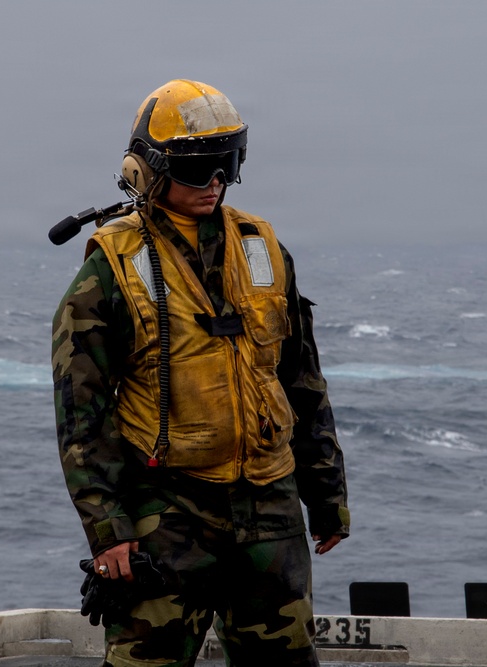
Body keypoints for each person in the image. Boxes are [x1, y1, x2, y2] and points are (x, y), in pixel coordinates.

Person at [51, 79, 349, 667]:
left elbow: (301, 382)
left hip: (269, 508)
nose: (215, 181)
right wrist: (110, 530)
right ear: (147, 170)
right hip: (166, 513)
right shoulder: (110, 269)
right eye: (197, 168)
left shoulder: (264, 250)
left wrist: (326, 494)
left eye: (227, 164)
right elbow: (82, 414)